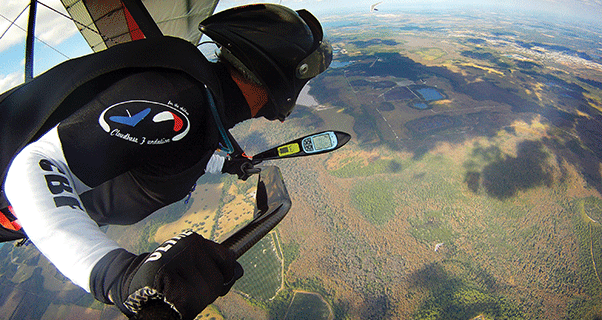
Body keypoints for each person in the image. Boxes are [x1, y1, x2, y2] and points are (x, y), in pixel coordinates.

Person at [0, 4, 332, 320]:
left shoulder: (199, 101)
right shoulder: (180, 103)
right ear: (282, 78)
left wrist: (227, 164)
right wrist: (115, 275)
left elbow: (160, 153)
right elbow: (34, 164)